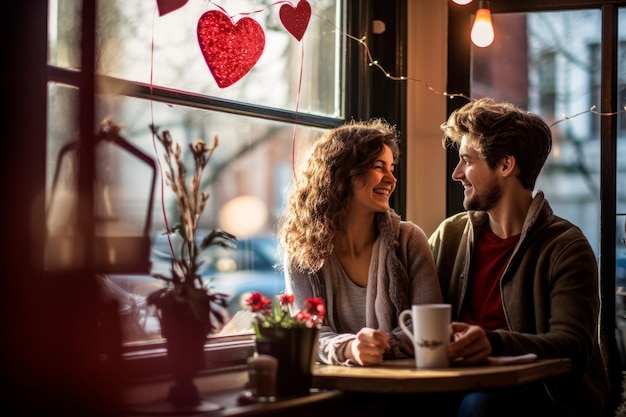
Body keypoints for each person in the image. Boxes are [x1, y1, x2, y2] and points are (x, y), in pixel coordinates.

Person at [429, 97, 610, 417]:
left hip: (547, 398)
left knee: (481, 406)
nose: (457, 174)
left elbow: (573, 347)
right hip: (453, 386)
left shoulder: (565, 246)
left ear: (505, 165)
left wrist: (494, 343)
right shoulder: (449, 236)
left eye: (467, 161)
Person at [278, 119, 443, 366]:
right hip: (339, 391)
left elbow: (428, 327)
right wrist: (349, 349)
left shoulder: (409, 240)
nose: (391, 179)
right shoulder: (302, 249)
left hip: (407, 386)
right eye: (379, 167)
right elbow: (308, 335)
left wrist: (378, 347)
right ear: (342, 174)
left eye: (392, 168)